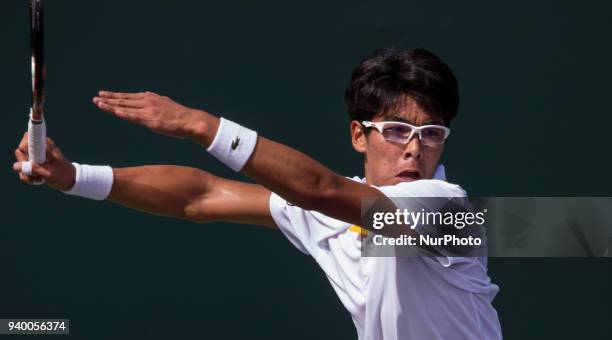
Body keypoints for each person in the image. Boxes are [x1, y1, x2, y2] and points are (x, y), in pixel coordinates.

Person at [13, 48, 502, 339]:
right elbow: (200, 196)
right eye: (397, 131)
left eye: (431, 133)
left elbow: (317, 189)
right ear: (360, 135)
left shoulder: (446, 209)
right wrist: (74, 176)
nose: (414, 150)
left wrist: (201, 126)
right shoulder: (337, 207)